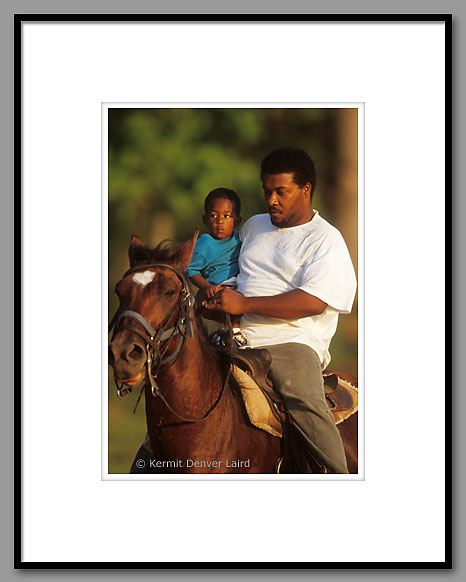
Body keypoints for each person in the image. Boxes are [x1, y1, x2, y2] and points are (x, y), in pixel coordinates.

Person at [203, 147, 357, 474]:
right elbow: (229, 274)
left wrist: (244, 304)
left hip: (292, 343)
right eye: (267, 191)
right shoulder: (253, 227)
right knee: (183, 383)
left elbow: (312, 301)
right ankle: (145, 467)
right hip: (236, 334)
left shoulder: (325, 240)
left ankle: (341, 482)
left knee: (305, 401)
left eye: (280, 192)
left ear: (306, 191)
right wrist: (215, 302)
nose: (271, 200)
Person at [185, 187, 248, 346]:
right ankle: (233, 333)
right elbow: (190, 269)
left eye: (227, 216)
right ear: (205, 220)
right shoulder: (205, 243)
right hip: (218, 287)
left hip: (239, 284)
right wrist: (206, 286)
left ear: (237, 221)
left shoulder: (240, 238)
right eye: (214, 216)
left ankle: (226, 333)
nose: (220, 221)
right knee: (227, 302)